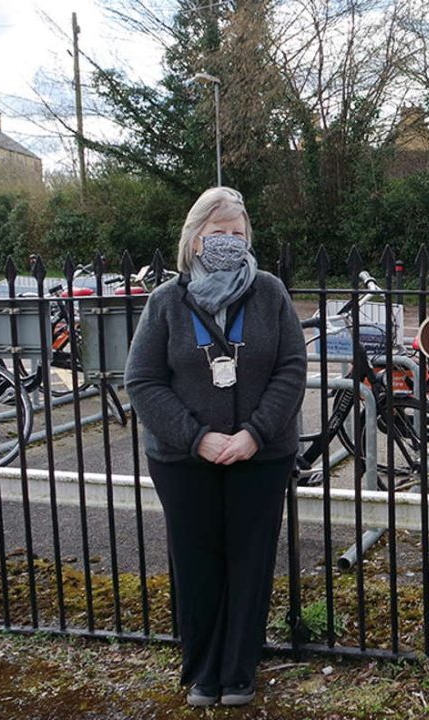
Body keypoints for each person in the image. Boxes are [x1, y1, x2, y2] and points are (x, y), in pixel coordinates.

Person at [125, 186, 307, 707]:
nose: (229, 240)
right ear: (195, 238)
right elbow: (142, 379)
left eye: (237, 232)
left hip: (262, 456)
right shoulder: (166, 301)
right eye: (217, 232)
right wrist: (197, 437)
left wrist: (254, 433)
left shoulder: (270, 293)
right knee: (197, 561)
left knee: (250, 561)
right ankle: (203, 670)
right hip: (183, 460)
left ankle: (239, 670)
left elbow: (292, 369)